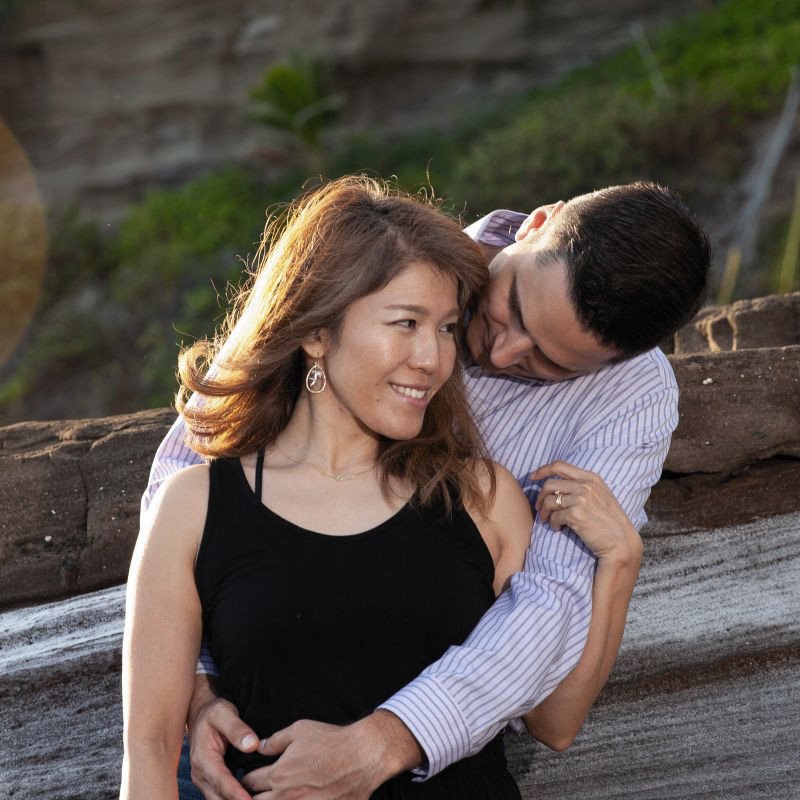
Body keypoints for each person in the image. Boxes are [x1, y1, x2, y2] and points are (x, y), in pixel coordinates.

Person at [141, 180, 710, 799]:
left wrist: (385, 741)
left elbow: (549, 606)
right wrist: (195, 692)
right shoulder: (390, 254)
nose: (500, 349)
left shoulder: (630, 399)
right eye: (511, 309)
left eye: (552, 362)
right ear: (534, 224)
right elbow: (191, 468)